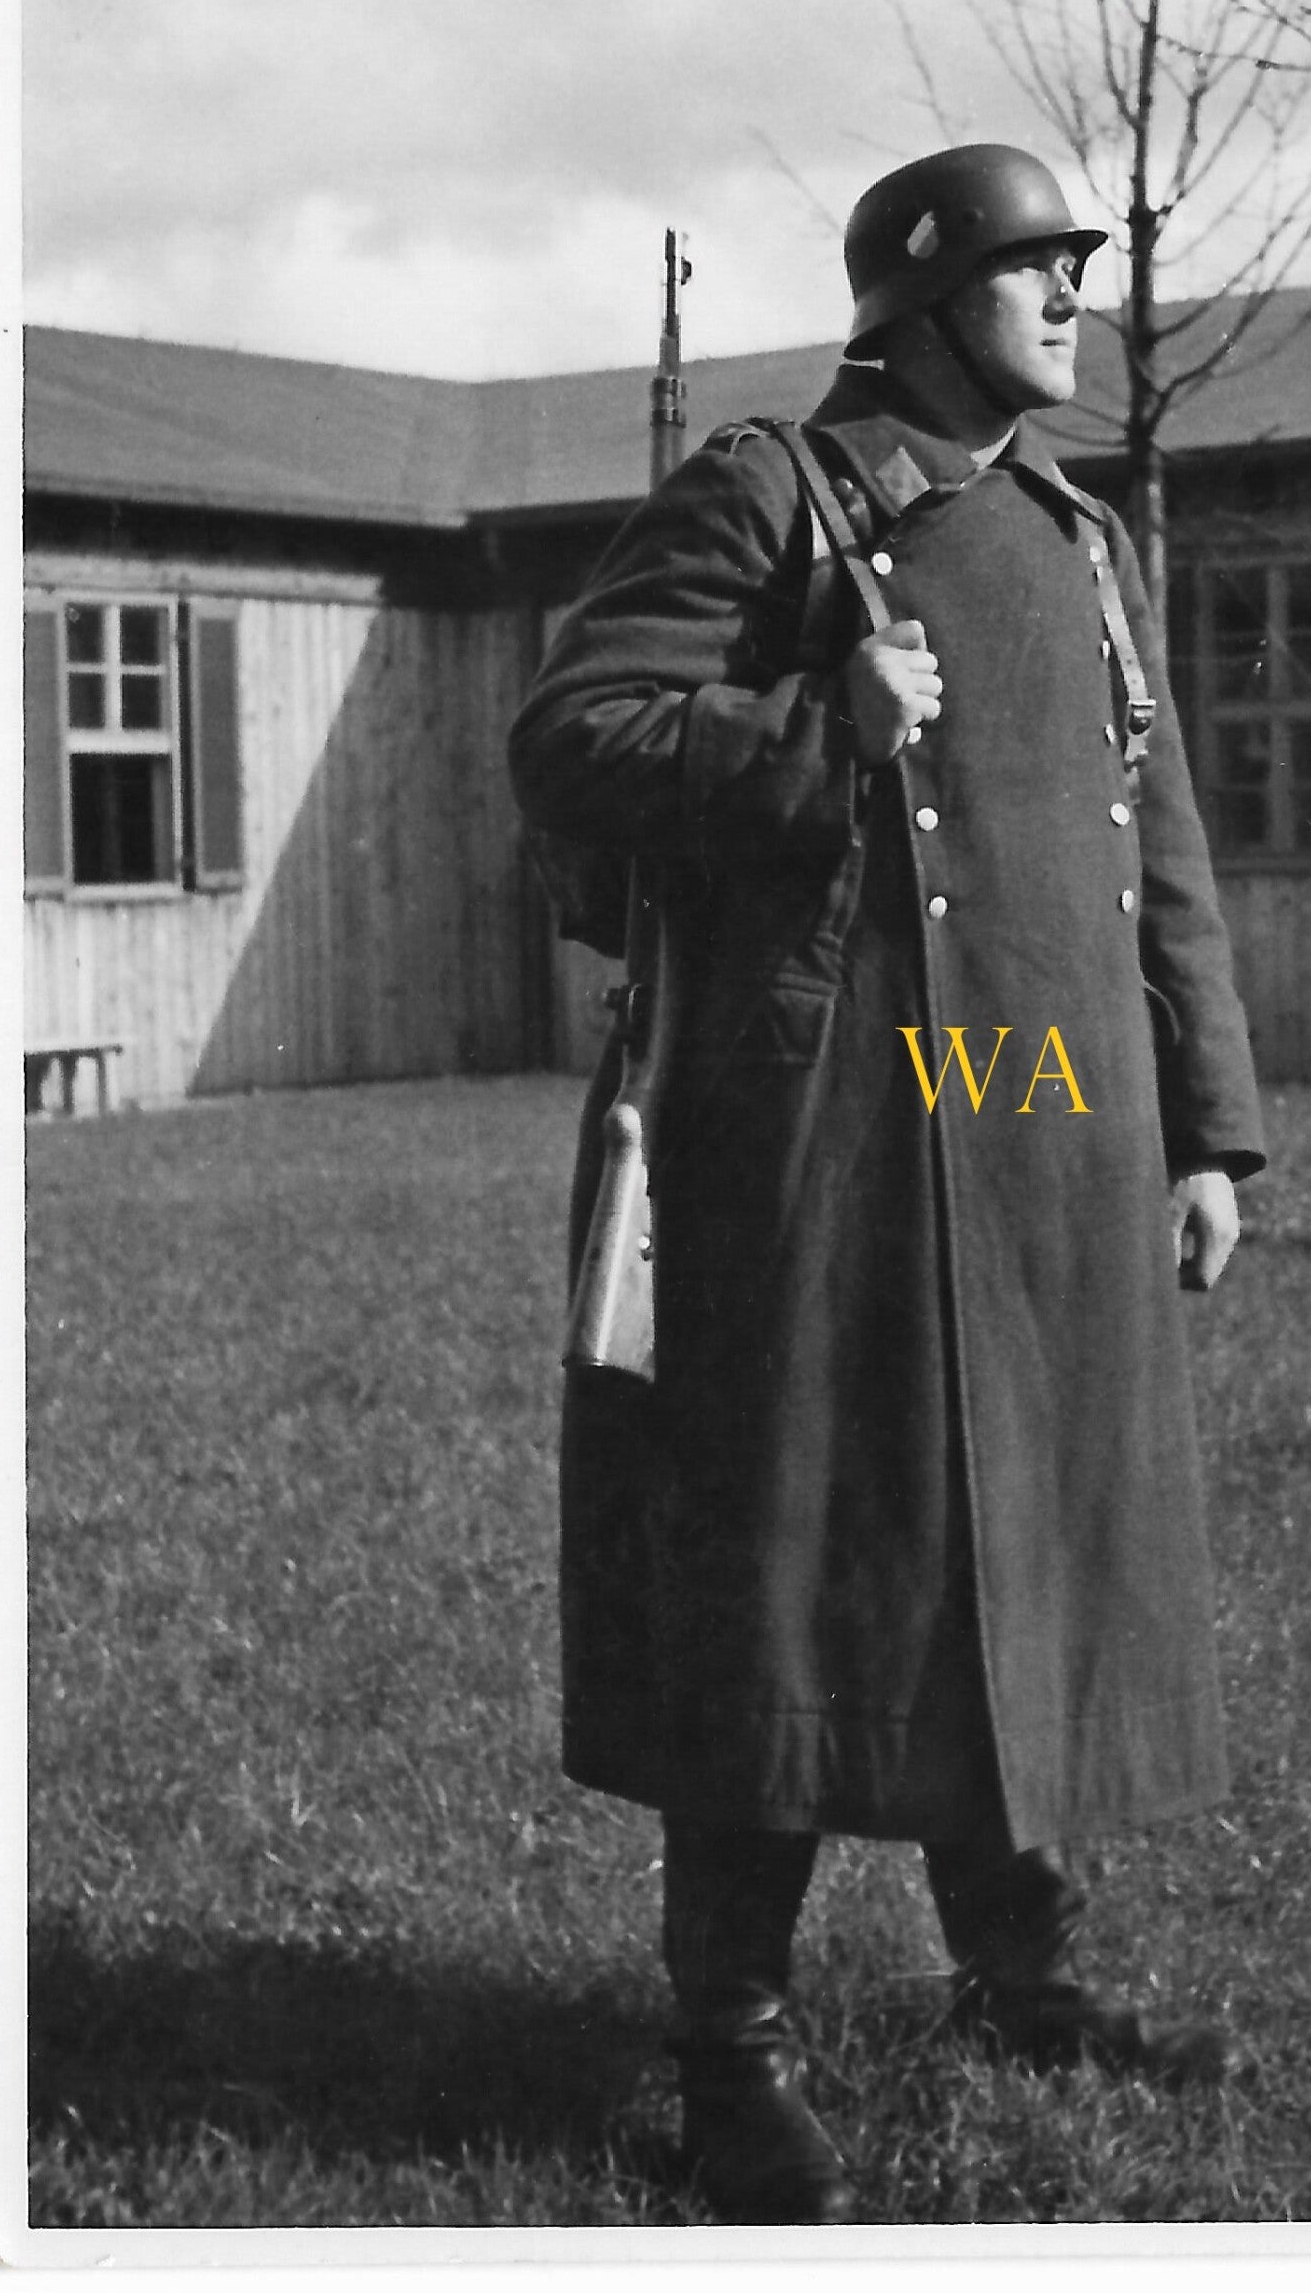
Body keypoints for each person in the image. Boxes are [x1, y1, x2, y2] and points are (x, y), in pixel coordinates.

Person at [507, 143, 1265, 2225]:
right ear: (920, 302)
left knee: (1018, 1548)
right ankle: (727, 2052)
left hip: (1054, 1138)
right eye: (1038, 269)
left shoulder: (1082, 535)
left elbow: (1156, 847)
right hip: (814, 1143)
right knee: (790, 1567)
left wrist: (1207, 1127)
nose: (1075, 300)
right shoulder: (775, 493)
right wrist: (806, 722)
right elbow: (571, 736)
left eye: (1079, 269)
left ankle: (1024, 1975)